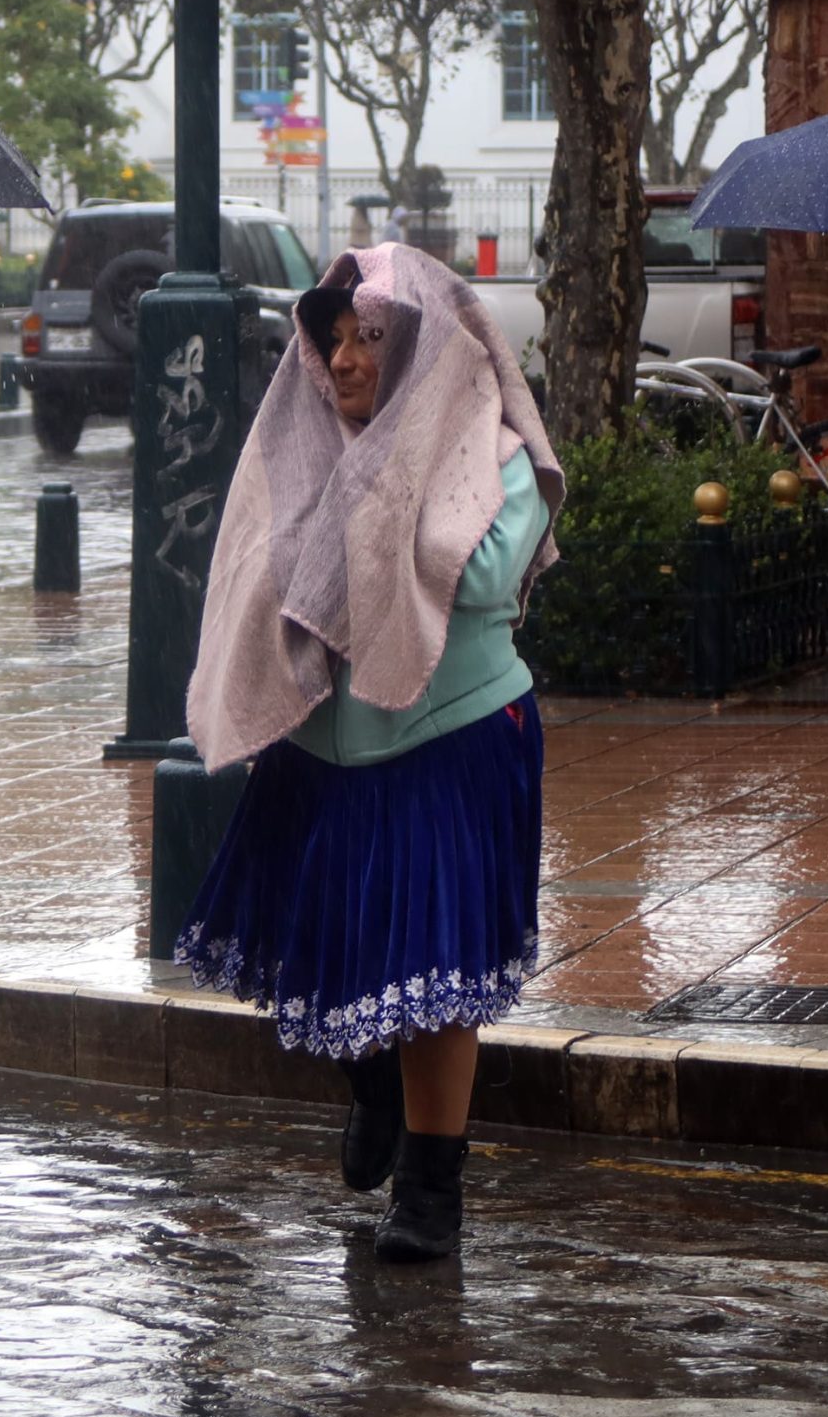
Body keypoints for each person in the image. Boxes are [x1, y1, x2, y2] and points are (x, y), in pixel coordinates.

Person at [178, 241, 564, 1263]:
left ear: (424, 354)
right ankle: (373, 1090)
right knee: (327, 948)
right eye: (334, 339)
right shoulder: (300, 452)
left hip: (451, 738)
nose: (343, 361)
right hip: (316, 748)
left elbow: (473, 579)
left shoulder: (495, 459)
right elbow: (251, 576)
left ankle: (432, 1193)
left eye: (370, 339)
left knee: (430, 967)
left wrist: (373, 503)